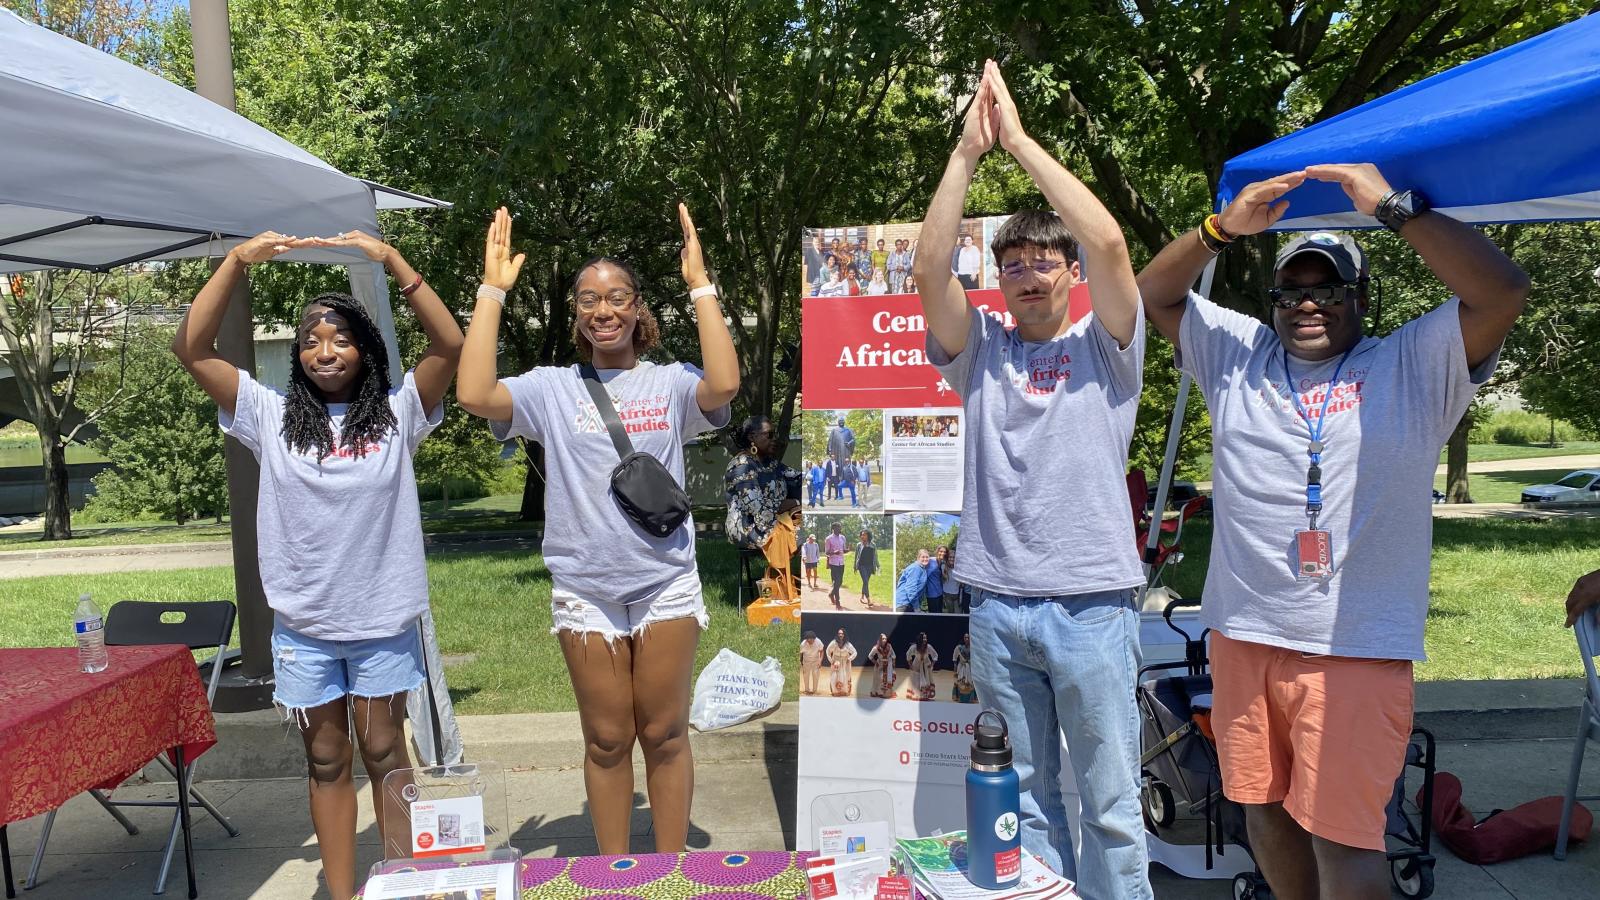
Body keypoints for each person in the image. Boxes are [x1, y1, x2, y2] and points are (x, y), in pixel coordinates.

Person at [1136, 162, 1529, 900]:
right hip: (1243, 635)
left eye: (1329, 289)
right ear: (1274, 298)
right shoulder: (1237, 356)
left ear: (1359, 298)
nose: (1307, 304)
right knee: (1262, 814)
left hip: (1353, 647)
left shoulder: (1413, 362)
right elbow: (1152, 291)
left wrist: (1393, 208)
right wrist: (1219, 229)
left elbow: (1502, 291)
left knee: (1345, 840)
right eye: (1293, 289)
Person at [914, 61, 1149, 896]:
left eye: (1046, 257)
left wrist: (1019, 141)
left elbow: (1114, 242)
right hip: (999, 605)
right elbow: (928, 268)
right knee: (1028, 805)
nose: (1028, 271)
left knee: (1112, 806)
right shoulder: (981, 351)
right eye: (1011, 261)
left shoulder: (1107, 347)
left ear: (1070, 272)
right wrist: (968, 156)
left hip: (1092, 605)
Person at [171, 226, 462, 900]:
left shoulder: (399, 414)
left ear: (365, 349)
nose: (323, 350)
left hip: (382, 621)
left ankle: (404, 883)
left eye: (339, 338)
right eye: (310, 340)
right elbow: (192, 348)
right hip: (304, 626)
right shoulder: (266, 415)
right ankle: (341, 891)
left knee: (386, 753)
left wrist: (391, 260)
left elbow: (450, 345)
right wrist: (237, 261)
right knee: (327, 758)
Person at [456, 204, 739, 855]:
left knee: (664, 733)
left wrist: (700, 282)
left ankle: (668, 873)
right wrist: (492, 289)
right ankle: (613, 874)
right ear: (577, 313)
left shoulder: (670, 383)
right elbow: (474, 393)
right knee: (607, 739)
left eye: (616, 297)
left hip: (664, 582)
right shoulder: (550, 388)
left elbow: (725, 383)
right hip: (587, 589)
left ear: (637, 307)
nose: (602, 309)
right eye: (589, 300)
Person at [724, 414, 801, 551]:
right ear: (752, 437)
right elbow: (759, 508)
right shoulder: (742, 466)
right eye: (769, 434)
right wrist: (796, 503)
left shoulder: (770, 464)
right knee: (806, 535)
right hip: (749, 529)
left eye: (775, 434)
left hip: (774, 520)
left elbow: (799, 480)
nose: (774, 439)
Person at [894, 549, 932, 613]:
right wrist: (916, 607)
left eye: (927, 557)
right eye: (923, 557)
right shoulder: (915, 568)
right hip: (904, 604)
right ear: (918, 558)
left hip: (909, 603)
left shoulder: (922, 568)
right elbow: (911, 589)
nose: (925, 559)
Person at [904, 633, 938, 701]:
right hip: (916, 665)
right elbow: (908, 655)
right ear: (920, 639)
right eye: (923, 638)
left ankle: (925, 695)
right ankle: (917, 695)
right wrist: (910, 665)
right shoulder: (914, 647)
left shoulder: (928, 647)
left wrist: (932, 664)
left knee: (926, 680)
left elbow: (935, 655)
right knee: (917, 680)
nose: (925, 639)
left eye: (926, 638)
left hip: (926, 665)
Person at [826, 629, 858, 697]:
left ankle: (844, 691)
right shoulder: (834, 643)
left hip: (845, 662)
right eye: (839, 633)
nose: (840, 635)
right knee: (835, 676)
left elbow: (855, 652)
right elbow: (828, 651)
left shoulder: (847, 644)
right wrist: (831, 660)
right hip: (836, 662)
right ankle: (835, 691)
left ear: (844, 635)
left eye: (842, 634)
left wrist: (849, 659)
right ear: (837, 634)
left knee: (845, 676)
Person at [824, 523, 848, 609]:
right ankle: (838, 602)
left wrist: (847, 550)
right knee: (836, 582)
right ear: (833, 528)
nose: (840, 528)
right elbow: (826, 552)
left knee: (840, 582)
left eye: (840, 527)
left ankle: (831, 594)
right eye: (838, 527)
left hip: (841, 563)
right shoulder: (828, 539)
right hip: (833, 563)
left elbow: (843, 550)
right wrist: (834, 552)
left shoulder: (843, 537)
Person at [854, 529, 879, 606]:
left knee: (866, 582)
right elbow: (856, 556)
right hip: (861, 566)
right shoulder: (859, 545)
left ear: (868, 536)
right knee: (865, 581)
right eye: (861, 534)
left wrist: (878, 566)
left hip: (870, 566)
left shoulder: (873, 545)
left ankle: (862, 596)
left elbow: (875, 556)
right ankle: (868, 600)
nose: (862, 536)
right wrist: (855, 566)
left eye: (864, 534)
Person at [867, 633, 897, 699]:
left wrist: (893, 664)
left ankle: (887, 693)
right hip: (880, 665)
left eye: (885, 639)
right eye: (883, 639)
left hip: (888, 665)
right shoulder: (876, 647)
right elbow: (870, 656)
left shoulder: (889, 646)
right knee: (879, 679)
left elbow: (893, 655)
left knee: (888, 679)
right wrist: (875, 662)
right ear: (880, 639)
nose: (884, 640)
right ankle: (878, 692)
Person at [951, 634, 976, 703]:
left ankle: (970, 699)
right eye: (965, 637)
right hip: (962, 667)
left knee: (970, 683)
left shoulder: (973, 648)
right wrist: (955, 669)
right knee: (961, 682)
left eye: (968, 637)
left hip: (970, 667)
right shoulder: (959, 648)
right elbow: (955, 658)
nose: (967, 639)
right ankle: (960, 698)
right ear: (963, 638)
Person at [799, 631, 825, 696]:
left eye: (810, 639)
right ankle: (807, 689)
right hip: (806, 660)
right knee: (806, 675)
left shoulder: (818, 642)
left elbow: (822, 651)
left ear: (814, 639)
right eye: (807, 639)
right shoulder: (803, 644)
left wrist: (820, 661)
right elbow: (800, 653)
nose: (809, 641)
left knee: (815, 675)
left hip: (815, 660)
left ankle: (815, 690)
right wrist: (799, 661)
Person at [924, 546, 947, 613]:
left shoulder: (942, 563)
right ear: (937, 552)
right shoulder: (931, 561)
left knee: (940, 613)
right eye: (941, 551)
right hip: (932, 594)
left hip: (940, 593)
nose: (943, 553)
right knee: (934, 615)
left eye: (944, 552)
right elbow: (923, 575)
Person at [942, 547, 965, 613]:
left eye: (954, 557)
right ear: (947, 558)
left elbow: (962, 583)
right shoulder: (943, 567)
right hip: (947, 594)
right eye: (950, 557)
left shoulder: (959, 568)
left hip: (957, 594)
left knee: (958, 613)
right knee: (950, 613)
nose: (952, 559)